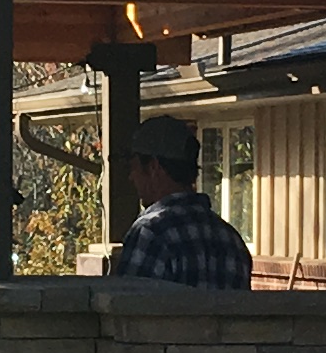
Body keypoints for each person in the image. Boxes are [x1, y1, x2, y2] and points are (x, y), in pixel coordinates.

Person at [105, 114, 253, 289]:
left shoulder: (150, 233)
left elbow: (127, 309)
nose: (131, 177)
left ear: (153, 167)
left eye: (134, 167)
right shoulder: (232, 241)